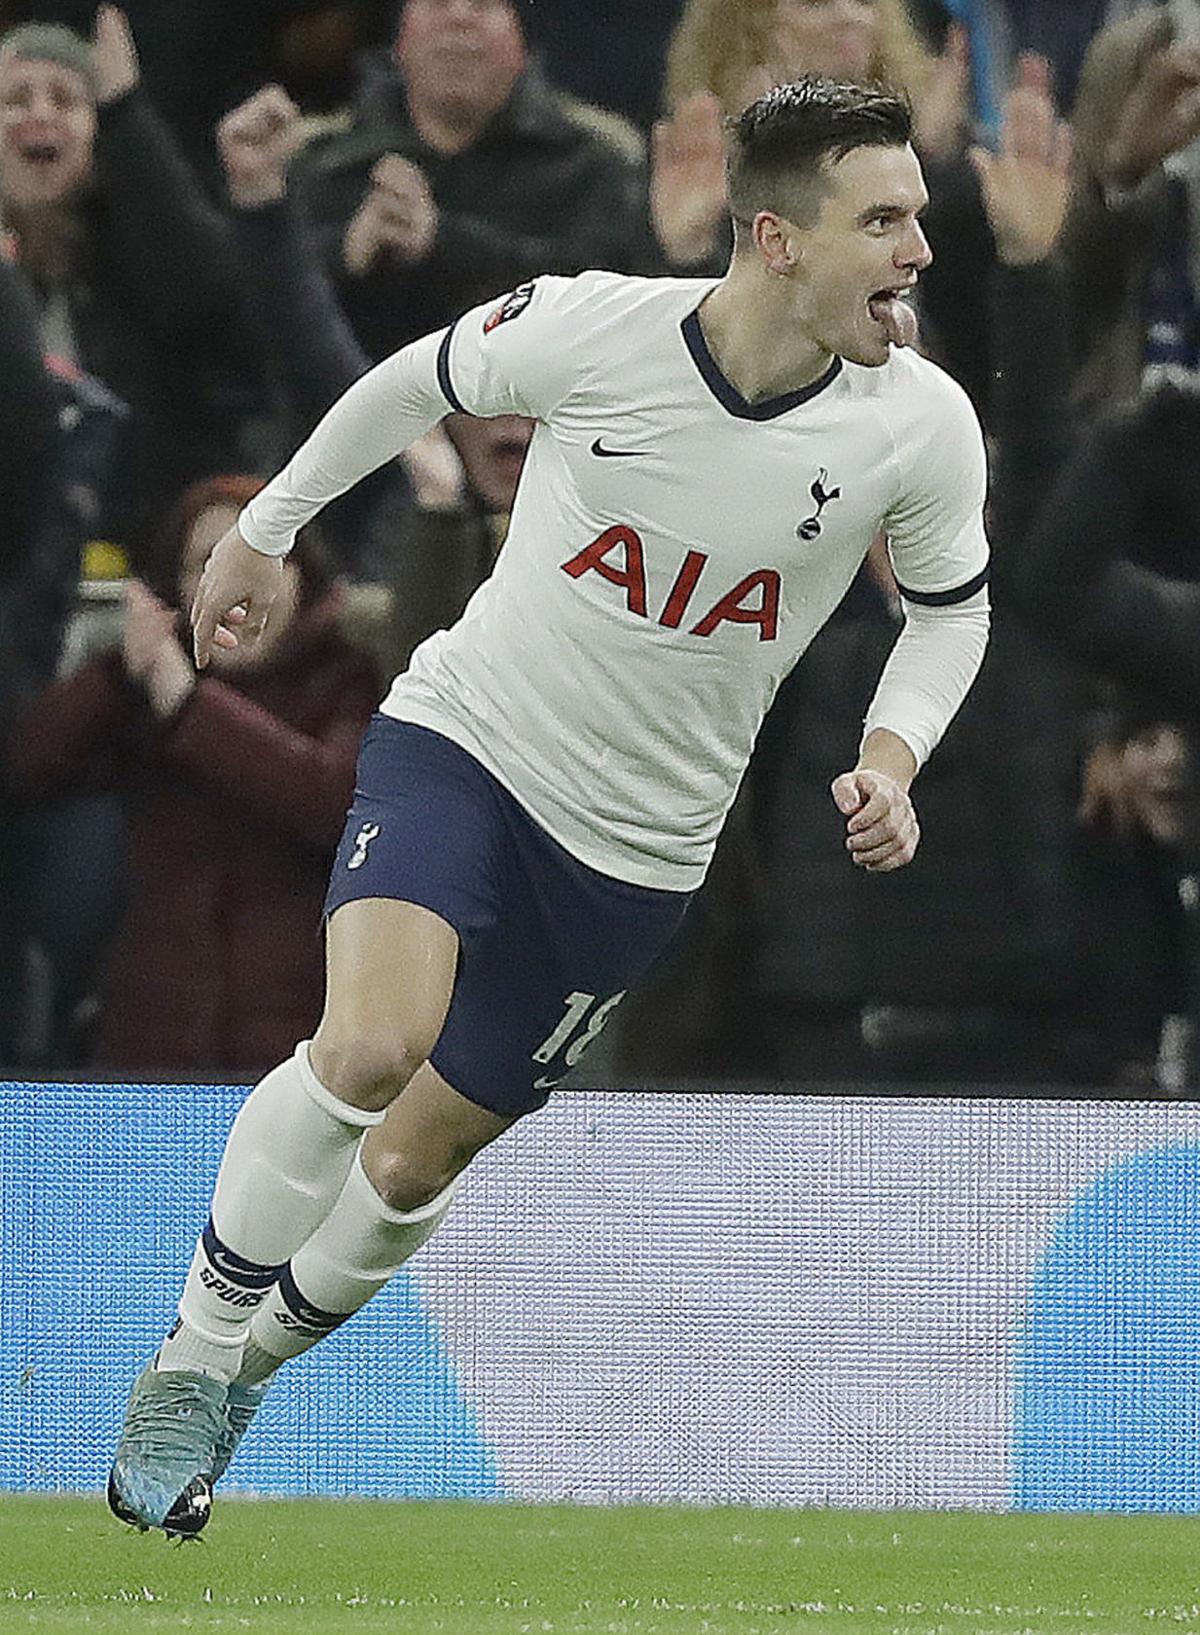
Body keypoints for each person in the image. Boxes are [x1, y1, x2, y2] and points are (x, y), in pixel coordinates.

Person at [106, 77, 990, 1538]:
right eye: (883, 218)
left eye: (919, 215)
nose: (919, 249)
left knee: (415, 1157)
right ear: (778, 236)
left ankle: (249, 1371)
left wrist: (891, 758)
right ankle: (196, 1344)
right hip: (468, 743)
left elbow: (951, 616)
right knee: (373, 1043)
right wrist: (267, 530)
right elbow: (413, 380)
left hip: (638, 854)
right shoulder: (600, 328)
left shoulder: (920, 426)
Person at [6, 475, 382, 1076]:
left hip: (299, 1059)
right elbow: (25, 771)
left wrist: (188, 705)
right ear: (174, 591)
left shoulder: (345, 682)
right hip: (151, 1054)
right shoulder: (137, 690)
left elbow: (338, 803)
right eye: (204, 563)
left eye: (261, 557)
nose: (231, 584)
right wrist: (119, 677)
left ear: (302, 579)